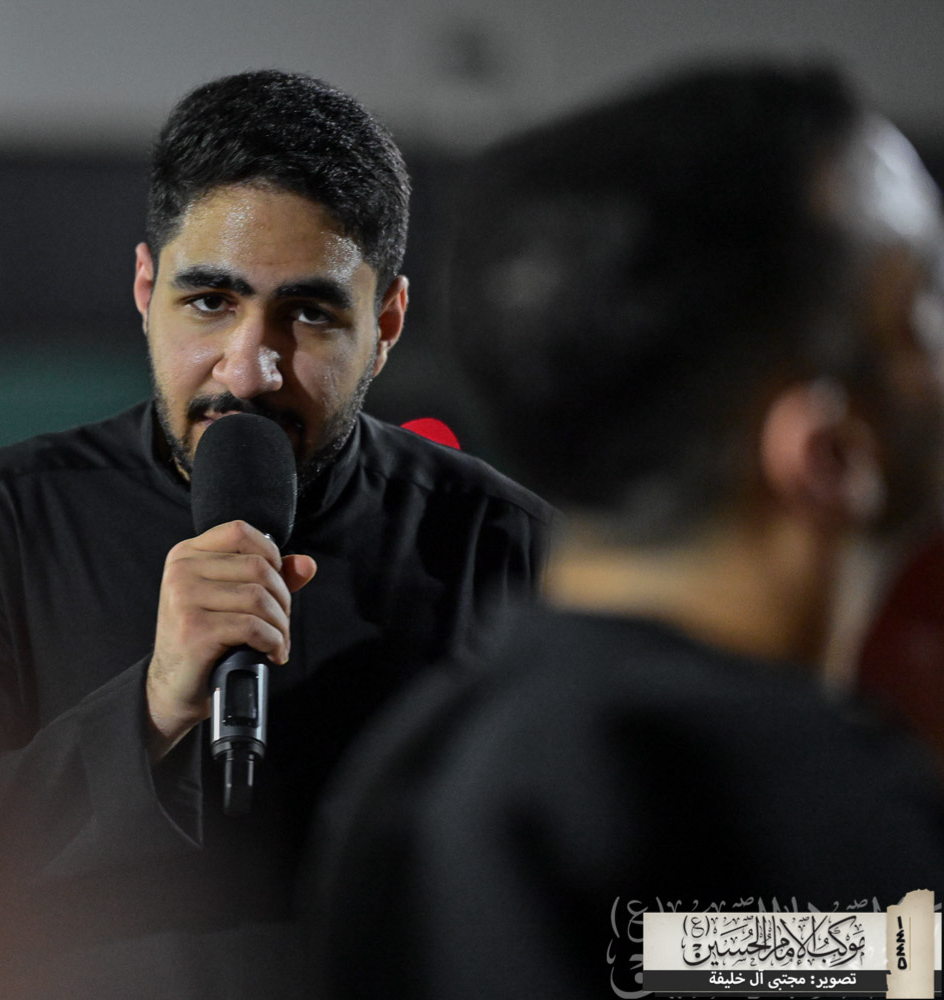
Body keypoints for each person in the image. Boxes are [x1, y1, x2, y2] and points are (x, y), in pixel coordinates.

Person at [0, 70, 551, 999]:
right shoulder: (6, 522)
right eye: (210, 302)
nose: (250, 370)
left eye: (309, 313)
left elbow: (689, 934)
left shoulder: (503, 546)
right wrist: (147, 711)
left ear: (386, 323)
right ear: (145, 288)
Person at [308, 63, 944, 998]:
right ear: (827, 452)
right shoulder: (792, 804)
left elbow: (672, 953)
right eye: (920, 310)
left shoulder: (423, 769)